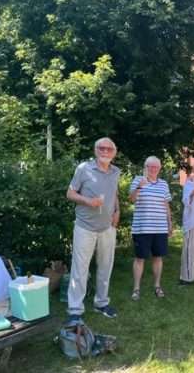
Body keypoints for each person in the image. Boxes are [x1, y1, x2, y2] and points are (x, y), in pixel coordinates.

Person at [66, 137, 120, 320]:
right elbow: (70, 193)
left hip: (107, 228)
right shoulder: (83, 169)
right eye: (101, 148)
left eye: (109, 149)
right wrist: (88, 201)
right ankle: (75, 310)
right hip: (85, 227)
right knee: (80, 269)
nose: (105, 151)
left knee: (105, 267)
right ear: (95, 150)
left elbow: (114, 194)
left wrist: (117, 211)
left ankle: (101, 303)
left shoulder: (116, 172)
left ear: (114, 152)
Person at [129, 156, 172, 300]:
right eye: (150, 166)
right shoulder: (137, 180)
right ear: (145, 167)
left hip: (160, 228)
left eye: (156, 167)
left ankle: (157, 286)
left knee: (158, 258)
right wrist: (140, 187)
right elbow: (132, 200)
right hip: (142, 228)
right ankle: (136, 288)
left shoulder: (164, 184)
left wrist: (170, 223)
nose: (153, 169)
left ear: (159, 169)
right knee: (140, 258)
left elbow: (166, 205)